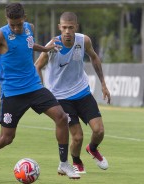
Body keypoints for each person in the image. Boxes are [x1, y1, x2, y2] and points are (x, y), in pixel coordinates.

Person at [0, 3, 80, 184]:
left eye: (19, 24)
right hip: (12, 92)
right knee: (7, 138)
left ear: (24, 19)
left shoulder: (30, 29)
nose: (16, 28)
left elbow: (28, 45)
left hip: (34, 86)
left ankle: (64, 163)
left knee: (61, 117)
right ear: (7, 20)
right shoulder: (0, 35)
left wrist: (44, 49)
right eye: (12, 24)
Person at [35, 12, 111, 174]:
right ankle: (76, 160)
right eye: (64, 27)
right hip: (61, 99)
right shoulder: (52, 46)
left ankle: (92, 148)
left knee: (99, 131)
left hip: (82, 92)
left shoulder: (84, 41)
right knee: (77, 137)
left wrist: (103, 84)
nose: (67, 31)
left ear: (76, 27)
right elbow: (37, 66)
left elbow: (94, 58)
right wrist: (42, 91)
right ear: (59, 28)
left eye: (71, 27)